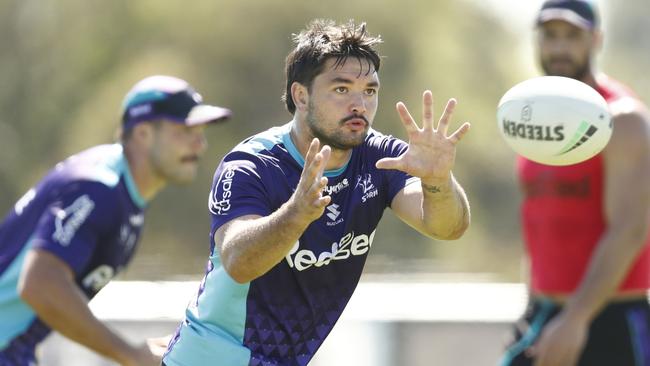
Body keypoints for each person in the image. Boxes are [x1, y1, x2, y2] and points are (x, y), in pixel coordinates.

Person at [162, 19, 471, 366]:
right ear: (301, 96)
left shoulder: (380, 158)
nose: (359, 105)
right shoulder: (252, 164)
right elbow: (237, 261)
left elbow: (447, 227)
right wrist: (296, 213)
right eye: (342, 89)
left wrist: (438, 181)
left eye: (369, 91)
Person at [0, 75, 231, 366]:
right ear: (143, 133)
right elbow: (38, 283)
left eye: (201, 131)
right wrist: (130, 354)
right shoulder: (99, 188)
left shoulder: (123, 193)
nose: (200, 144)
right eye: (185, 130)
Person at [500, 1, 650, 365]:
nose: (559, 47)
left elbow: (630, 230)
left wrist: (576, 318)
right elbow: (539, 221)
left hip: (610, 321)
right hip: (545, 316)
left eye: (572, 36)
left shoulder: (623, 118)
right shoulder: (532, 121)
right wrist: (532, 305)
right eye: (550, 36)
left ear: (596, 39)